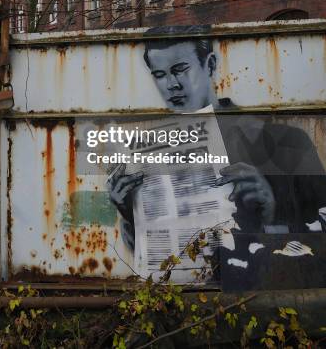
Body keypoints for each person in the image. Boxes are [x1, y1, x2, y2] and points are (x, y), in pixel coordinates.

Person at [108, 26, 326, 289]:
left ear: (209, 65)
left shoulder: (286, 141)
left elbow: (319, 239)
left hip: (267, 304)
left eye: (180, 70)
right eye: (159, 75)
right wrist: (129, 212)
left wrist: (273, 212)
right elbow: (147, 256)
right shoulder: (147, 153)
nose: (171, 84)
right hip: (185, 300)